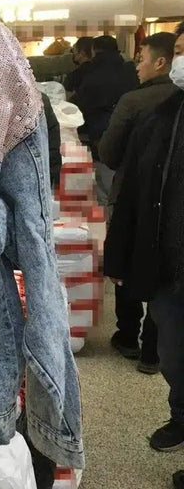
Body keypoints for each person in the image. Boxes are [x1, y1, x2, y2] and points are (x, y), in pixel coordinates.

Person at [105, 21, 184, 453]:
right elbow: (137, 188)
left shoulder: (141, 105)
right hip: (170, 263)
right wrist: (118, 257)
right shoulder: (162, 116)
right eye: (181, 51)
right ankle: (180, 416)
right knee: (174, 352)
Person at [99, 32, 177, 374]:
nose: (137, 66)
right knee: (163, 269)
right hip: (171, 203)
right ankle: (151, 350)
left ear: (160, 62)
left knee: (126, 258)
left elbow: (109, 152)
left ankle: (127, 335)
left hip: (131, 195)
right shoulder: (176, 101)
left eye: (141, 58)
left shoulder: (133, 102)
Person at [71, 35, 139, 206]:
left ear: (94, 50)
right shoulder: (131, 70)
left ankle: (109, 209)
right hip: (134, 130)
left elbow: (78, 104)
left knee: (105, 175)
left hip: (100, 130)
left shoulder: (89, 72)